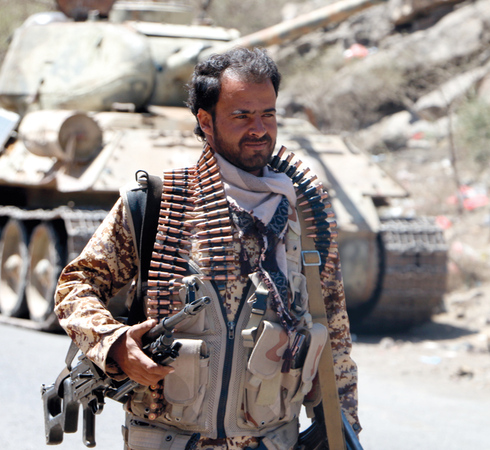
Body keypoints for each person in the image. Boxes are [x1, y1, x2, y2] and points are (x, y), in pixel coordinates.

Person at [54, 47, 359, 450]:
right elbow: (76, 285)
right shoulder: (158, 203)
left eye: (268, 114)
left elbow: (333, 330)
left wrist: (344, 429)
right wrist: (113, 342)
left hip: (269, 440)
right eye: (242, 115)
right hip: (170, 438)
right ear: (205, 121)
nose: (259, 129)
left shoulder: (303, 210)